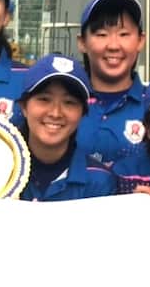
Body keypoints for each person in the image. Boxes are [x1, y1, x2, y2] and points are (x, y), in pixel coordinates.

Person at [15, 55, 116, 201]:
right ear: (24, 107)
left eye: (69, 102)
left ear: (83, 112)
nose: (55, 113)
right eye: (44, 99)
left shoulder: (100, 181)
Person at [74, 0, 148, 162]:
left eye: (124, 34)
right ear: (82, 43)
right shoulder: (64, 104)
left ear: (140, 41)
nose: (113, 45)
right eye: (101, 34)